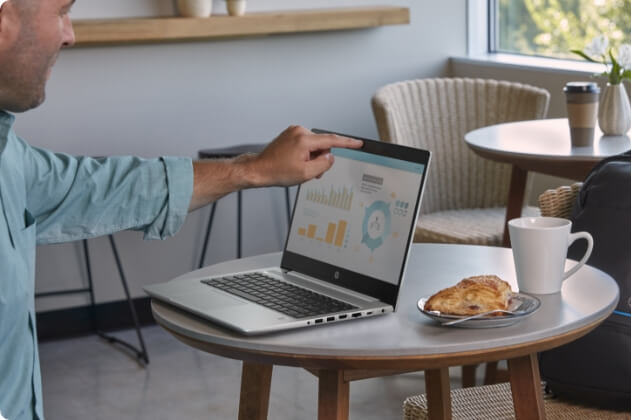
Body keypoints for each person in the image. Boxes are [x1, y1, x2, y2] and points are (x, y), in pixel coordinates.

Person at [0, 0, 363, 418]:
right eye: (61, 12)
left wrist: (253, 169)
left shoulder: (11, 155)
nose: (70, 33)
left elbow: (97, 185)